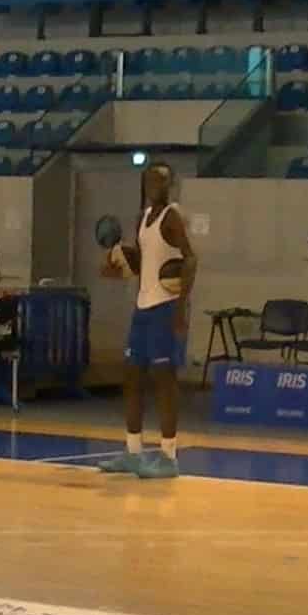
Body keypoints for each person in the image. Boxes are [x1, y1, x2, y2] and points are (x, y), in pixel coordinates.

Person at [100, 162, 195, 479]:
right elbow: (144, 263)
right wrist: (119, 265)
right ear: (144, 184)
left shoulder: (173, 217)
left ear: (170, 185)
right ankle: (133, 452)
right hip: (142, 308)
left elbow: (190, 258)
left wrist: (181, 308)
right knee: (132, 377)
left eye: (162, 181)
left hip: (165, 308)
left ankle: (169, 456)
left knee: (164, 381)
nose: (156, 185)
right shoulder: (142, 218)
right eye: (151, 180)